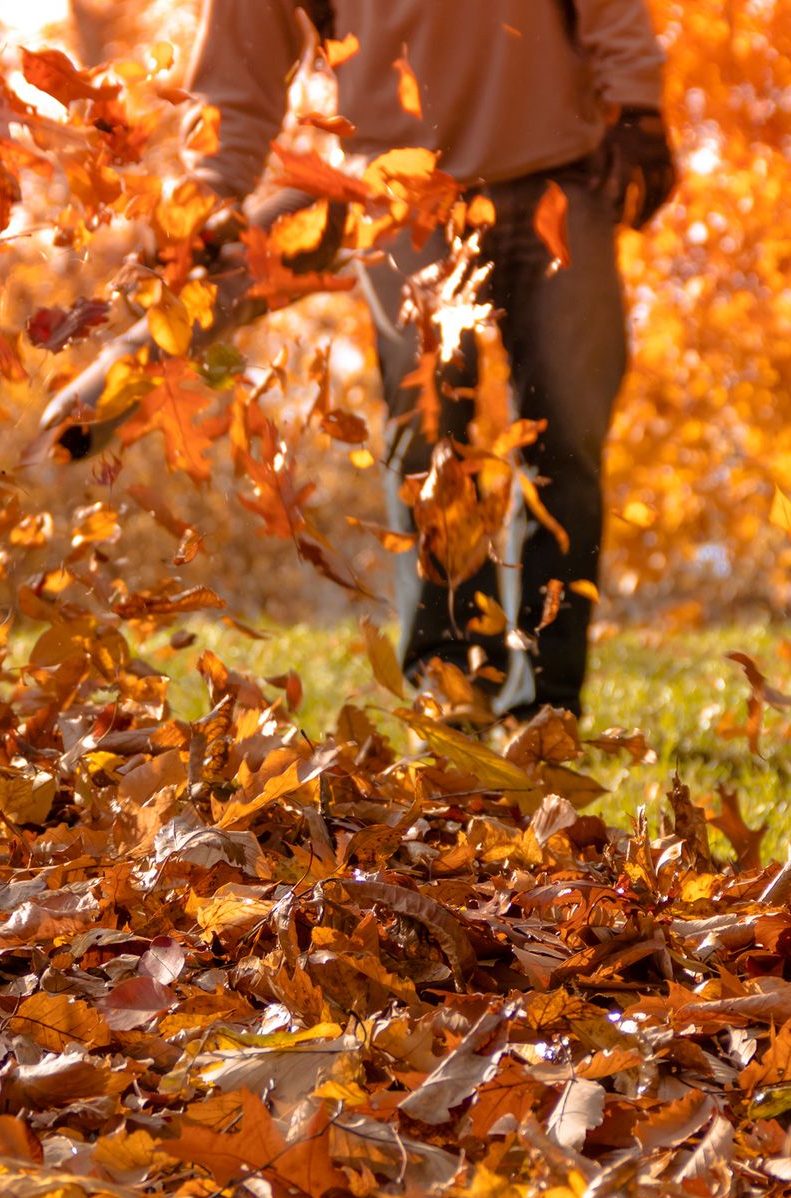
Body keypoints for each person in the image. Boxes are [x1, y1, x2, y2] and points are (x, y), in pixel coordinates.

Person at [181, 0, 676, 722]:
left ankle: (547, 707)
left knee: (567, 439)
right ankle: (449, 685)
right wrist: (210, 193)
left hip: (562, 177)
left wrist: (637, 103)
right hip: (398, 192)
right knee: (431, 436)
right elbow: (240, 58)